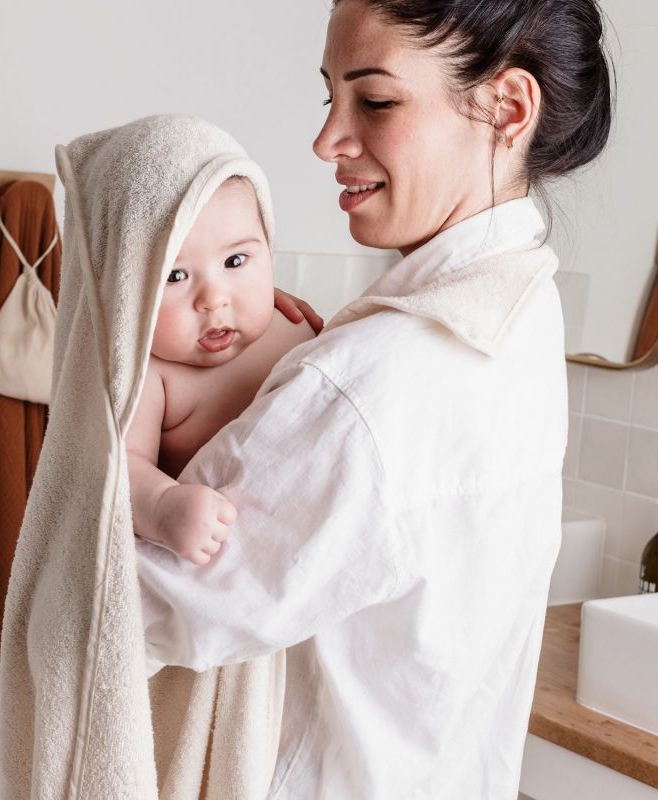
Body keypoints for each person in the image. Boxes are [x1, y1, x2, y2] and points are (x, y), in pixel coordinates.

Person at [135, 0, 615, 797]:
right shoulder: (527, 309)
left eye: (376, 99)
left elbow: (135, 613)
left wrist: (119, 461)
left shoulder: (374, 382)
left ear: (508, 106)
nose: (328, 140)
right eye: (331, 96)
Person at [126, 174, 319, 564]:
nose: (214, 299)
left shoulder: (292, 323)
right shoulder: (151, 371)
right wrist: (162, 506)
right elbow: (119, 468)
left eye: (235, 261)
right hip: (223, 552)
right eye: (174, 276)